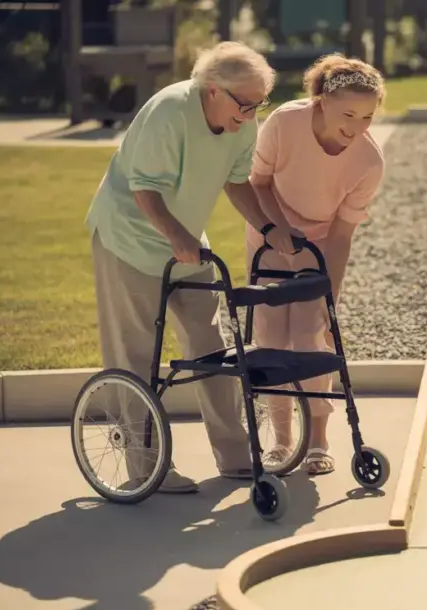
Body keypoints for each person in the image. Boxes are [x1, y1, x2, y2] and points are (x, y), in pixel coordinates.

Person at [85, 41, 287, 493]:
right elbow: (145, 190)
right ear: (212, 90)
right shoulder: (169, 111)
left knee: (212, 346)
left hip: (188, 246)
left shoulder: (241, 122)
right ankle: (144, 467)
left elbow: (237, 183)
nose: (252, 113)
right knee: (135, 354)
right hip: (130, 242)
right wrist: (178, 238)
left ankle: (236, 456)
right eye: (245, 103)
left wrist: (270, 229)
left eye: (260, 103)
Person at [244, 53, 387, 476]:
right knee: (269, 338)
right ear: (322, 100)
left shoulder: (369, 162)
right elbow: (259, 183)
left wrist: (331, 296)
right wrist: (277, 230)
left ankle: (318, 438)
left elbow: (342, 236)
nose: (357, 127)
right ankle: (284, 440)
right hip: (268, 237)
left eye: (367, 117)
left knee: (310, 337)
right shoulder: (285, 122)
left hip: (319, 248)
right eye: (348, 114)